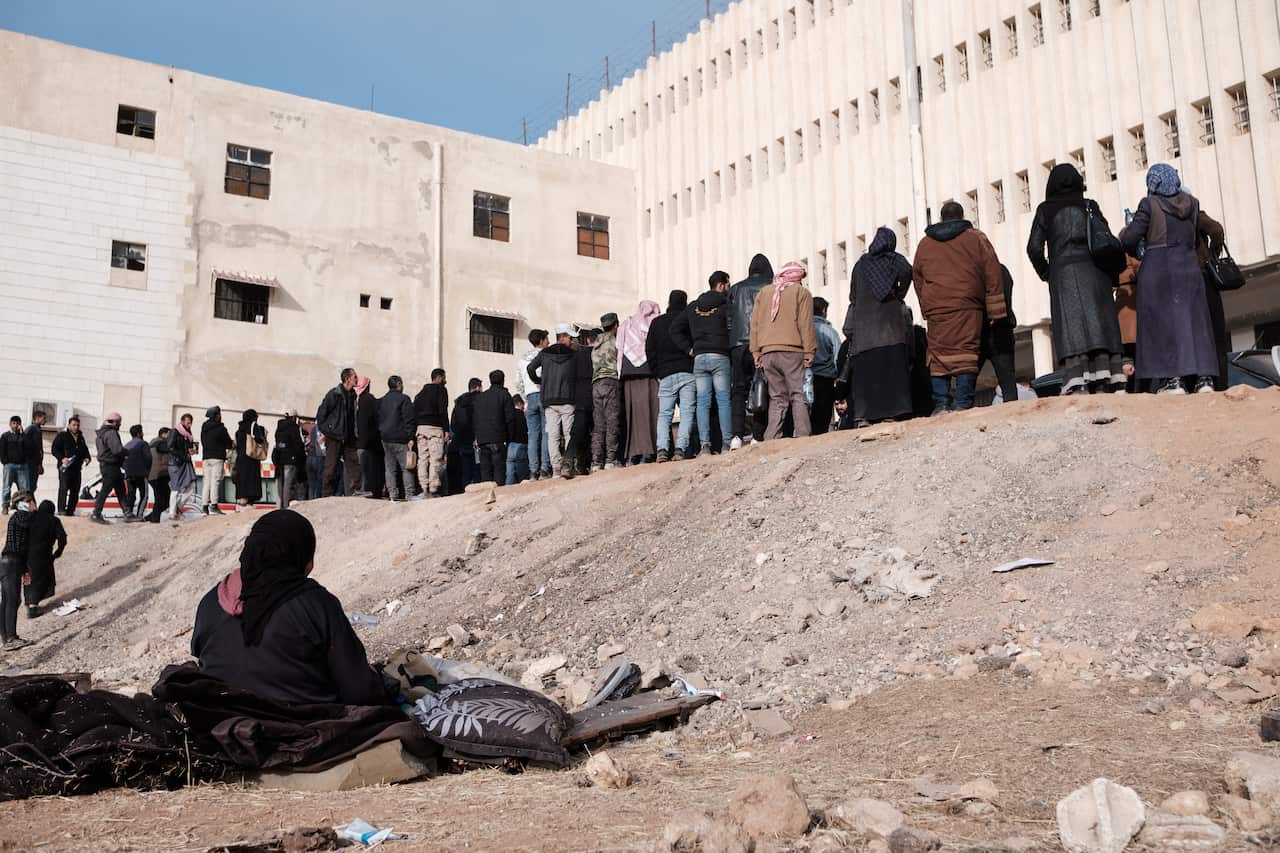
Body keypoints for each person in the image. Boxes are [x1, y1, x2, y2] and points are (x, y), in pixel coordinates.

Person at [191, 509, 388, 706]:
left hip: (223, 724)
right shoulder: (315, 604)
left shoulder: (211, 602)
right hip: (305, 728)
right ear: (299, 555)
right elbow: (360, 692)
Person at [1120, 164, 1222, 395]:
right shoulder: (1193, 203)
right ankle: (1204, 380)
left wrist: (1131, 233)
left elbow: (1130, 240)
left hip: (1158, 269)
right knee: (1196, 325)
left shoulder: (1149, 204)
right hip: (1189, 268)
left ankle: (1172, 381)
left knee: (1162, 326)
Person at [1027, 164, 1126, 395]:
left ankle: (1076, 381)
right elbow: (1106, 240)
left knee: (1071, 328)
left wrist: (1047, 272)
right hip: (1096, 272)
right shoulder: (1090, 206)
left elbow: (1033, 248)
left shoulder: (1045, 210)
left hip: (1063, 274)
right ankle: (1106, 378)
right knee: (1100, 324)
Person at [912, 201, 1007, 413]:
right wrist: (996, 309)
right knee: (966, 351)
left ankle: (941, 403)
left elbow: (917, 277)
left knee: (937, 355)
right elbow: (992, 271)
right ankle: (963, 403)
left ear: (941, 217)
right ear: (962, 216)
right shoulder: (975, 238)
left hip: (937, 308)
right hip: (967, 305)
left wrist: (926, 307)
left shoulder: (925, 244)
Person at [845, 227, 915, 425]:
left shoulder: (860, 265)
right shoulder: (895, 260)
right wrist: (899, 294)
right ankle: (891, 413)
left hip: (864, 330)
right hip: (890, 327)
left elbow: (853, 296)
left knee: (867, 374)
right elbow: (909, 272)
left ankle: (864, 416)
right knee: (891, 370)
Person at [750, 261, 816, 440]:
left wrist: (756, 352)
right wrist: (809, 352)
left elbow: (754, 324)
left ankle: (772, 437)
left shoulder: (764, 293)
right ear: (798, 277)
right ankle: (802, 434)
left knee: (777, 397)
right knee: (798, 393)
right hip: (792, 350)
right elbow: (806, 324)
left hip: (767, 352)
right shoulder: (801, 293)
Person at [672, 271, 735, 454]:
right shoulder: (726, 305)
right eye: (728, 285)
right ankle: (726, 443)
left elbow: (674, 329)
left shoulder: (693, 307)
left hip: (699, 358)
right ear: (721, 285)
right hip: (720, 356)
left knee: (702, 402)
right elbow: (733, 327)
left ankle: (704, 446)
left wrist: (688, 348)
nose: (728, 289)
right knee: (723, 400)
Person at [727, 254, 775, 447]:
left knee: (738, 390)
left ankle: (736, 436)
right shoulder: (771, 286)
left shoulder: (736, 288)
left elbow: (729, 320)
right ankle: (757, 435)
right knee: (762, 387)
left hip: (737, 345)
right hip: (762, 343)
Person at [648, 291, 696, 462]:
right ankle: (681, 449)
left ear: (669, 302)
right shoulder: (688, 320)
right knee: (687, 412)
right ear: (685, 302)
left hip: (666, 374)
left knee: (664, 414)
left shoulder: (656, 323)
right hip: (687, 372)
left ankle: (662, 449)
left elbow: (650, 351)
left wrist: (657, 372)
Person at [527, 324, 579, 479]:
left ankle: (556, 468)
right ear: (564, 337)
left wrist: (540, 380)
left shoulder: (544, 353)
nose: (571, 340)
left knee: (553, 436)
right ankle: (570, 465)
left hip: (549, 400)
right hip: (568, 398)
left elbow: (530, 368)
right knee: (569, 433)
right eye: (570, 337)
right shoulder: (573, 354)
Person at [618, 300, 662, 465]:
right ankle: (649, 451)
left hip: (630, 375)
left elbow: (620, 351)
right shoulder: (655, 324)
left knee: (634, 416)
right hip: (650, 373)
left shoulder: (626, 325)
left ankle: (634, 454)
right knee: (652, 414)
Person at [980, 265, 1020, 404]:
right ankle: (1013, 412)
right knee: (1008, 381)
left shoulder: (973, 271)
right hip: (1002, 329)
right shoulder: (1001, 270)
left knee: (967, 379)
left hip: (981, 331)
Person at [317, 368, 360, 496]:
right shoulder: (334, 394)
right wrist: (329, 431)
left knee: (354, 466)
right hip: (334, 437)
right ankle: (326, 494)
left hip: (348, 437)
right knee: (330, 468)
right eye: (355, 377)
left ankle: (355, 491)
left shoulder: (353, 395)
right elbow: (321, 415)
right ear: (347, 379)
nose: (357, 379)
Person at [516, 329, 552, 480]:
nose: (549, 342)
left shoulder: (522, 359)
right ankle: (544, 469)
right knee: (546, 433)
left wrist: (526, 399)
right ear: (542, 341)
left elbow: (518, 383)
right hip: (544, 396)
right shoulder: (547, 356)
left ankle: (533, 471)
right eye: (547, 339)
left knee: (532, 436)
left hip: (530, 398)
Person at [1, 492, 34, 649]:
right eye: (28, 501)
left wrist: (25, 570)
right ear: (20, 503)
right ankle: (11, 638)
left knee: (8, 600)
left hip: (12, 563)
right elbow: (28, 522)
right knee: (12, 600)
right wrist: (31, 510)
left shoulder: (19, 517)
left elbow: (23, 547)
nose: (31, 503)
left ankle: (6, 637)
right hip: (11, 563)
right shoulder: (20, 516)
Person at [590, 313, 624, 471]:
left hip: (596, 383)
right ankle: (611, 459)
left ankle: (596, 461)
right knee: (612, 421)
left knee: (599, 424)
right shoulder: (615, 340)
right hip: (611, 381)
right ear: (616, 325)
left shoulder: (595, 341)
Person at [473, 370, 516, 485]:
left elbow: (475, 418)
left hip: (482, 439)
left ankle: (486, 497)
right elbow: (510, 418)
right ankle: (499, 496)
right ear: (503, 380)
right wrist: (509, 438)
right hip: (498, 438)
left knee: (485, 471)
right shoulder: (505, 395)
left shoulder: (480, 397)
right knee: (499, 471)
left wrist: (477, 436)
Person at [23, 500, 65, 618]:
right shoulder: (54, 520)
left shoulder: (29, 518)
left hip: (26, 554)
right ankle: (33, 608)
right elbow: (62, 539)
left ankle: (28, 602)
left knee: (27, 578)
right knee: (39, 579)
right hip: (43, 555)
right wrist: (58, 552)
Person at [413, 369, 451, 499]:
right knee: (435, 458)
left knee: (422, 459)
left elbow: (414, 411)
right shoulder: (441, 390)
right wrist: (446, 429)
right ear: (439, 377)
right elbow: (443, 411)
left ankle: (424, 488)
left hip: (421, 428)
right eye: (444, 377)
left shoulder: (421, 393)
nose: (445, 380)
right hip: (435, 428)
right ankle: (433, 488)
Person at [377, 376, 416, 501]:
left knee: (389, 469)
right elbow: (409, 419)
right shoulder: (404, 399)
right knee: (407, 467)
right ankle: (409, 495)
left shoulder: (381, 400)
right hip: (400, 438)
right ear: (399, 384)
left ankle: (392, 495)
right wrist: (410, 437)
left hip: (385, 438)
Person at [810, 297, 842, 435]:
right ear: (823, 311)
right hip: (826, 377)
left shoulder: (802, 330)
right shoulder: (829, 331)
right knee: (823, 415)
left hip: (806, 378)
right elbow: (838, 356)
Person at [90, 413, 127, 524]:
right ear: (115, 422)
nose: (120, 425)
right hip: (111, 465)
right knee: (106, 489)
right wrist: (127, 451)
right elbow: (117, 450)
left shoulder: (101, 434)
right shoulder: (111, 433)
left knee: (120, 489)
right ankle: (96, 512)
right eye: (119, 423)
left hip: (107, 465)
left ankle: (127, 512)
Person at [51, 416, 91, 517]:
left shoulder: (81, 437)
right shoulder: (62, 435)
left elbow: (85, 450)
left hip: (77, 468)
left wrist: (87, 457)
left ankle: (70, 510)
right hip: (65, 468)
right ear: (69, 425)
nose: (76, 427)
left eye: (77, 425)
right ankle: (61, 510)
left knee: (75, 489)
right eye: (74, 425)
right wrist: (62, 458)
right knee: (64, 488)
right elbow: (54, 449)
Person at [354, 375, 384, 499]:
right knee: (368, 471)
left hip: (355, 443)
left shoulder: (354, 399)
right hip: (368, 443)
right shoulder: (369, 400)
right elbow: (376, 420)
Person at [200, 406, 233, 514]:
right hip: (217, 458)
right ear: (216, 416)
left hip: (206, 458)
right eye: (219, 414)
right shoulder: (221, 428)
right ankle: (214, 505)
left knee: (206, 482)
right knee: (215, 481)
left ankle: (204, 506)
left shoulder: (204, 428)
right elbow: (229, 443)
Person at [571, 330, 595, 475]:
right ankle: (595, 461)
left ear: (587, 341)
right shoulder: (597, 354)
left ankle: (581, 464)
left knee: (581, 431)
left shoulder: (576, 355)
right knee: (595, 429)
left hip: (579, 396)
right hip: (594, 393)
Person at [451, 378, 482, 489]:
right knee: (478, 468)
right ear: (478, 387)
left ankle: (466, 490)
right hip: (477, 439)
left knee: (466, 470)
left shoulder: (459, 402)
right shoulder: (479, 399)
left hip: (462, 440)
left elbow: (453, 424)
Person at [233, 410, 267, 511]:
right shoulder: (253, 426)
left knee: (242, 479)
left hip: (240, 459)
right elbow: (259, 439)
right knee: (251, 479)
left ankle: (240, 501)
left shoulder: (239, 429)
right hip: (251, 458)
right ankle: (248, 501)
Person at [168, 413, 199, 521]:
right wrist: (183, 454)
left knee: (192, 485)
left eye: (191, 423)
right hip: (176, 463)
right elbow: (170, 447)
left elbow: (188, 447)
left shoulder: (188, 433)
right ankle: (172, 512)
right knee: (175, 488)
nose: (190, 425)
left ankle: (178, 507)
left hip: (186, 462)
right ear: (182, 421)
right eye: (188, 423)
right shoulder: (174, 431)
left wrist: (192, 451)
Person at [272, 411, 305, 510]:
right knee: (289, 484)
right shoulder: (294, 427)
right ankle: (287, 507)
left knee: (281, 485)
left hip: (280, 460)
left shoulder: (279, 428)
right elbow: (298, 445)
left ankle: (281, 506)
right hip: (291, 460)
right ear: (294, 417)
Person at [122, 424, 152, 521]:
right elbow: (148, 459)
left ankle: (129, 515)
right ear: (139, 433)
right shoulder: (143, 444)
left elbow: (122, 460)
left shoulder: (127, 445)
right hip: (141, 474)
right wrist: (147, 470)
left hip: (129, 474)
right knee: (144, 495)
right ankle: (139, 515)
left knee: (131, 495)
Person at [0, 417, 29, 514]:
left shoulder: (24, 437)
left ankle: (23, 508)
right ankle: (5, 506)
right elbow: (2, 450)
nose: (15, 425)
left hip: (22, 467)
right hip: (10, 466)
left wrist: (22, 434)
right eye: (13, 423)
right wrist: (5, 462)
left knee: (24, 489)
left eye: (17, 423)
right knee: (6, 487)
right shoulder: (5, 436)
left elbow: (29, 447)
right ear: (10, 424)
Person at [146, 427, 171, 524]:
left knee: (163, 499)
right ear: (163, 434)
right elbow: (165, 458)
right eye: (169, 434)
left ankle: (152, 517)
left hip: (156, 476)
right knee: (162, 499)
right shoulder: (160, 443)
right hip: (159, 476)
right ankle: (154, 519)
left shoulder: (153, 443)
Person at [506, 395, 530, 484]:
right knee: (522, 475)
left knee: (510, 474)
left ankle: (507, 491)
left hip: (510, 446)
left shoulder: (508, 414)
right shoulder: (522, 414)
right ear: (520, 403)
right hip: (521, 445)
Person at [24, 410, 46, 499]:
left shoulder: (38, 429)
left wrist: (40, 463)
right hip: (30, 463)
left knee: (32, 486)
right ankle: (26, 507)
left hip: (35, 463)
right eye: (44, 418)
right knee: (29, 487)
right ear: (37, 418)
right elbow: (24, 443)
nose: (45, 420)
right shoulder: (31, 429)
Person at [304, 423, 325, 500]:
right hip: (319, 456)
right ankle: (316, 502)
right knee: (318, 483)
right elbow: (321, 445)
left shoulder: (314, 428)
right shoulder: (322, 428)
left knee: (311, 484)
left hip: (310, 456)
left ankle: (311, 501)